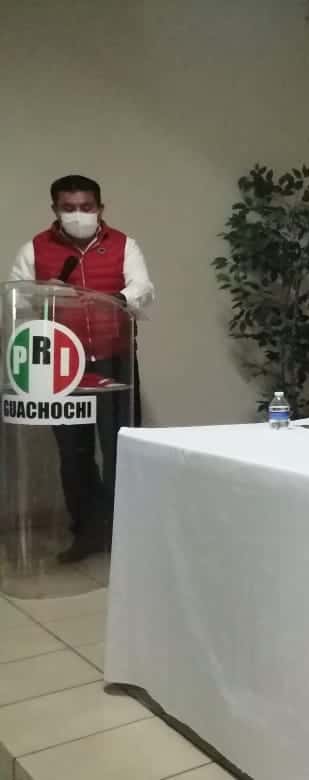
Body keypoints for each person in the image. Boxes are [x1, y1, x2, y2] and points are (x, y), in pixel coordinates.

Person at [10, 174, 155, 562]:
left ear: (100, 208)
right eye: (69, 207)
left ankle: (126, 531)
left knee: (122, 448)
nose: (78, 214)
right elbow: (18, 303)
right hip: (61, 365)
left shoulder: (124, 245)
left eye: (86, 207)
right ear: (55, 209)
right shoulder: (34, 249)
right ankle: (88, 531)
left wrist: (113, 297)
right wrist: (42, 294)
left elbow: (141, 290)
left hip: (115, 361)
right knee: (74, 454)